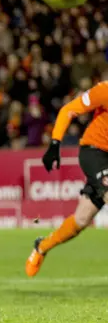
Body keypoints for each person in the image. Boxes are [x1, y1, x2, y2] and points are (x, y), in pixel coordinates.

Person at [26, 82, 108, 276]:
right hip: (94, 152)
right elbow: (68, 110)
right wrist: (55, 144)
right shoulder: (104, 90)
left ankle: (42, 246)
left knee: (81, 219)